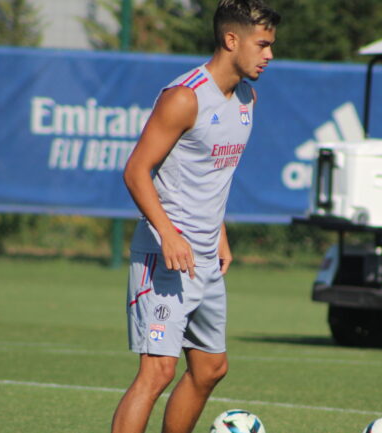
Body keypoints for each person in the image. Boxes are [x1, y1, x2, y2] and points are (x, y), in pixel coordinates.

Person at [111, 1, 280, 432]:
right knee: (157, 373)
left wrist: (219, 233)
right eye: (261, 45)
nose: (269, 55)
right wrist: (167, 234)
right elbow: (136, 171)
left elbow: (208, 175)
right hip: (165, 258)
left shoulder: (247, 97)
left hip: (205, 258)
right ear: (230, 40)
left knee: (210, 370)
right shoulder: (184, 97)